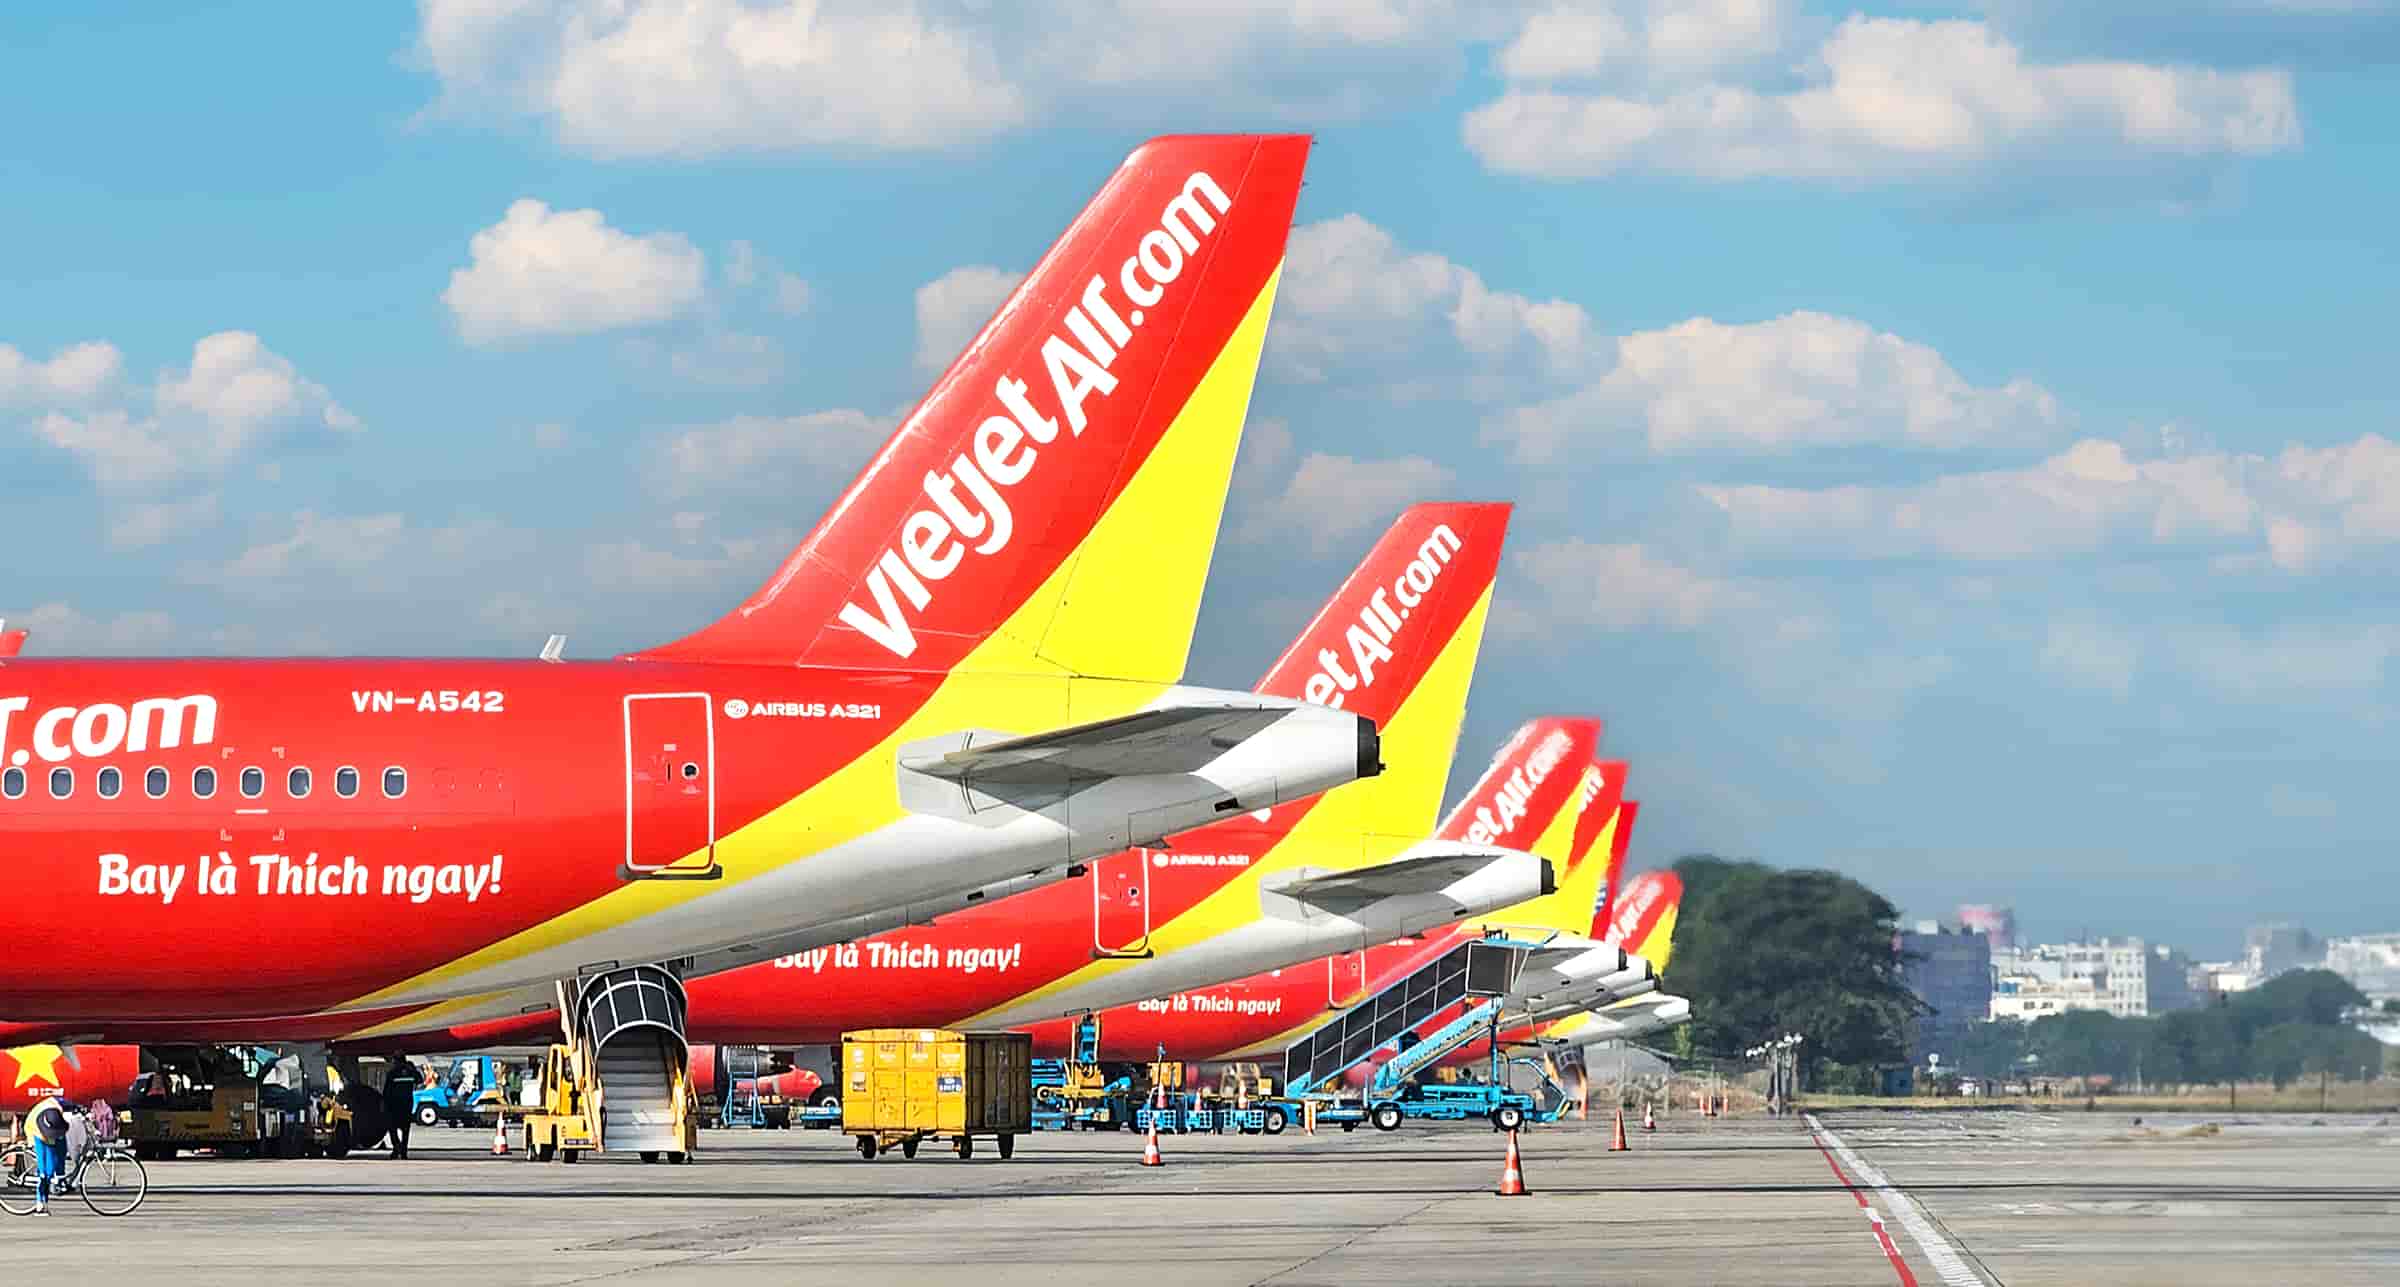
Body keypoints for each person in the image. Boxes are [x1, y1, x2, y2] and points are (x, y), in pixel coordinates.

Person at [24, 1095, 77, 1215]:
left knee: (54, 1163)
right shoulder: (37, 1126)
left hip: (51, 1123)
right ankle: (40, 1203)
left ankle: (59, 1178)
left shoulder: (56, 1107)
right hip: (37, 1132)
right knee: (44, 1172)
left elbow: (66, 1102)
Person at [381, 1060, 422, 1160]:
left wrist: (384, 1104)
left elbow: (387, 1090)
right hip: (407, 1105)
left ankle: (396, 1148)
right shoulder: (411, 1072)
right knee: (405, 1130)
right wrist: (413, 1069)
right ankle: (403, 1152)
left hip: (394, 1105)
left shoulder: (392, 1072)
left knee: (392, 1128)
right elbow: (420, 1080)